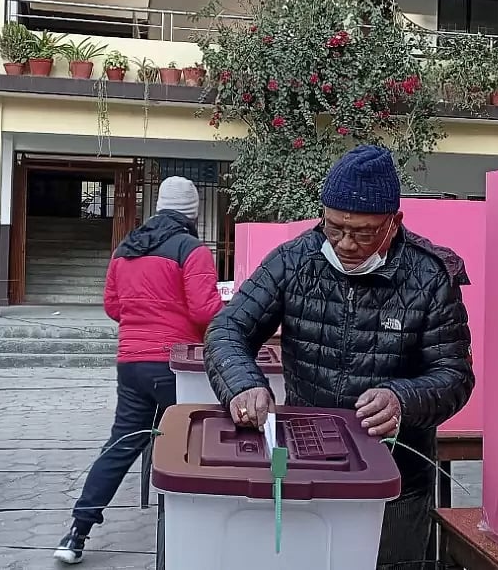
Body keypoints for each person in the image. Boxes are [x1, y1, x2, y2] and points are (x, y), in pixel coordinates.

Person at [203, 145, 475, 568]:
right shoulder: (295, 261)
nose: (345, 243)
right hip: (309, 465)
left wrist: (403, 398)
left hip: (397, 478)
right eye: (334, 228)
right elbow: (227, 329)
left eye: (363, 232)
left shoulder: (429, 277)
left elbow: (455, 375)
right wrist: (243, 384)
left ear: (393, 223)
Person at [54, 176, 224, 565]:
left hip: (130, 364)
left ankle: (76, 533)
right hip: (175, 365)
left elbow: (113, 308)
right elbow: (205, 311)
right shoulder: (191, 249)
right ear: (192, 213)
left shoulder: (125, 249)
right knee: (192, 443)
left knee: (120, 446)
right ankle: (192, 538)